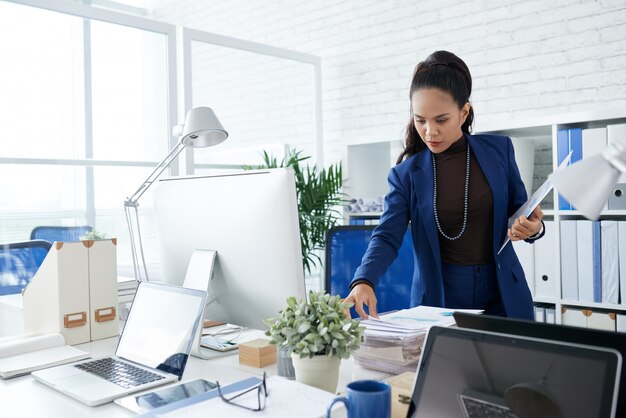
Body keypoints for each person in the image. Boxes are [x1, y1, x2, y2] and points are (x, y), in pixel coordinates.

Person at [344, 50, 544, 321]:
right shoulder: (406, 175)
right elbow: (387, 236)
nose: (429, 131)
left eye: (441, 120)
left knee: (513, 364)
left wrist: (534, 228)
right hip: (438, 299)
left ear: (463, 113)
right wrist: (363, 280)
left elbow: (521, 213)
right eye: (420, 120)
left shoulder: (500, 151)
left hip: (504, 294)